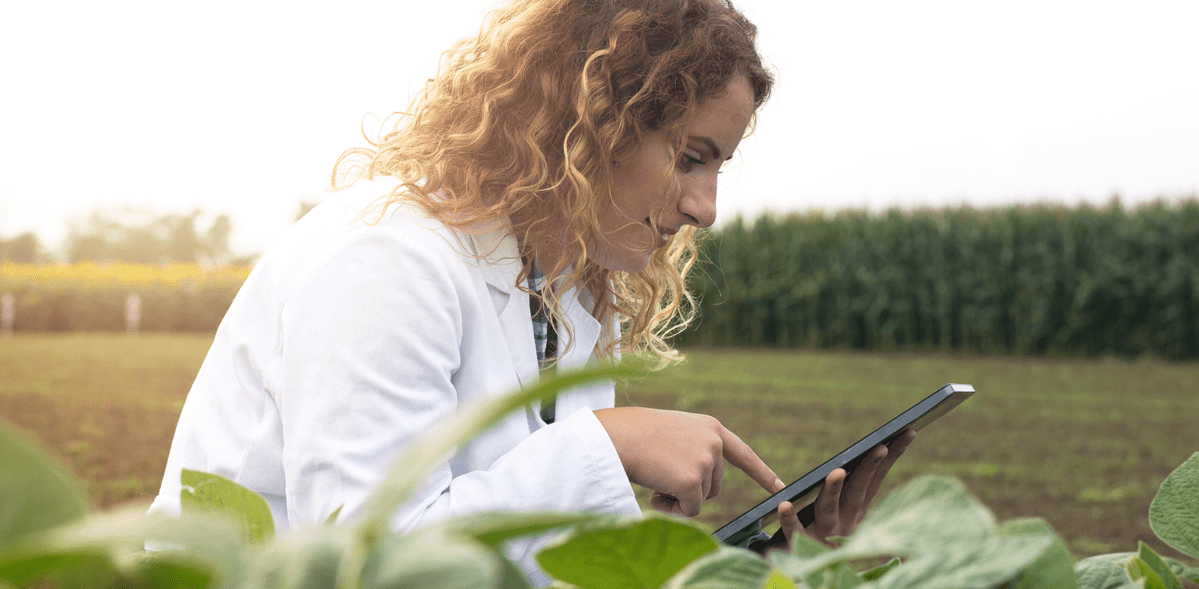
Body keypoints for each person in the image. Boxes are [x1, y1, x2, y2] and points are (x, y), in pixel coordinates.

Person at [151, 0, 913, 583]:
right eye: (690, 157)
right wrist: (608, 444)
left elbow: (528, 556)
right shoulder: (386, 258)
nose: (705, 207)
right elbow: (368, 562)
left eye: (718, 166)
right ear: (593, 121)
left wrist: (763, 563)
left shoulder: (571, 285)